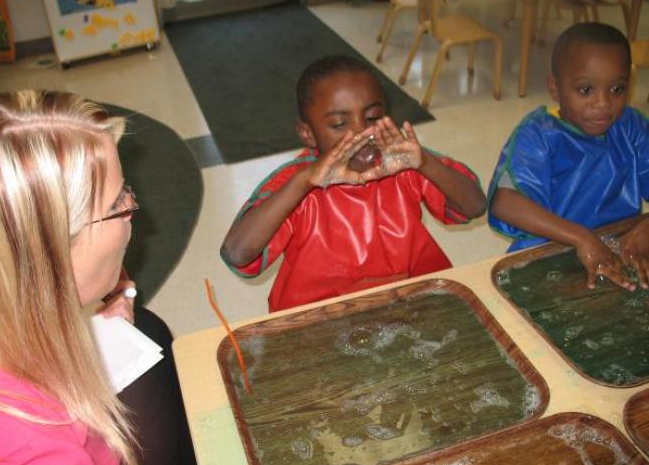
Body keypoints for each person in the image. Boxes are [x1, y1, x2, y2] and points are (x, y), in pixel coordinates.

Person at [0, 90, 195, 465]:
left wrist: (116, 287)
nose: (132, 206)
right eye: (117, 205)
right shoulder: (32, 450)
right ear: (49, 251)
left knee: (147, 328)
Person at [221, 55, 487, 312]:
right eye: (339, 123)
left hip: (410, 301)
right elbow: (237, 253)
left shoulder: (403, 162)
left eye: (372, 117)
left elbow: (474, 206)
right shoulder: (297, 183)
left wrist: (425, 163)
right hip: (320, 317)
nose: (363, 132)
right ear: (307, 133)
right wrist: (304, 182)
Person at [487, 22, 649, 291]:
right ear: (554, 88)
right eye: (586, 90)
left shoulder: (631, 127)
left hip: (618, 250)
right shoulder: (539, 134)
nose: (603, 104)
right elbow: (505, 203)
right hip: (546, 256)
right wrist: (581, 238)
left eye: (617, 89)